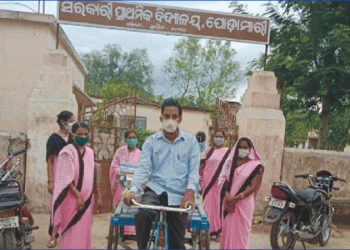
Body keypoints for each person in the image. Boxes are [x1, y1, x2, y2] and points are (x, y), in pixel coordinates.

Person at [124, 98, 200, 249]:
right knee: (143, 213)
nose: (170, 120)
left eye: (174, 117)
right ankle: (142, 247)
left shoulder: (191, 142)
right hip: (155, 190)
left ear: (180, 119)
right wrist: (133, 191)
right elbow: (143, 169)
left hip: (179, 194)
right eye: (167, 116)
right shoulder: (151, 141)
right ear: (161, 118)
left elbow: (193, 171)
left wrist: (190, 192)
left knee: (177, 243)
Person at [51, 122, 103, 249]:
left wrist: (98, 195)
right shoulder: (66, 152)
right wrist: (78, 196)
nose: (83, 136)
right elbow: (65, 178)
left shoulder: (90, 152)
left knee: (84, 233)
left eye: (86, 134)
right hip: (71, 200)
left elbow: (93, 175)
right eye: (80, 134)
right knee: (71, 232)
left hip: (87, 200)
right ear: (73, 135)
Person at [219, 137, 264, 249]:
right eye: (240, 147)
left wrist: (235, 199)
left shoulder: (256, 165)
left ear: (250, 149)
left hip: (243, 204)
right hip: (229, 202)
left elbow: (253, 187)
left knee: (242, 233)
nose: (242, 149)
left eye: (245, 147)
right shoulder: (231, 162)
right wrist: (227, 197)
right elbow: (224, 179)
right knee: (227, 230)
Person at [46, 111, 75, 248]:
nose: (72, 124)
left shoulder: (73, 138)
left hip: (72, 177)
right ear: (63, 122)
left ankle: (67, 233)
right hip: (58, 177)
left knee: (69, 205)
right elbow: (50, 161)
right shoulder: (53, 139)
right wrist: (50, 181)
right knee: (56, 205)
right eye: (71, 121)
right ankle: (53, 236)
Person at [200, 130, 231, 242]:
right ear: (213, 138)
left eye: (220, 136)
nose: (218, 138)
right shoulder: (208, 150)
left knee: (219, 206)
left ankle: (219, 232)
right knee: (207, 207)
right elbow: (202, 165)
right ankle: (206, 230)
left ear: (224, 138)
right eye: (216, 136)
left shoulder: (228, 152)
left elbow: (229, 168)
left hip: (219, 184)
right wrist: (201, 179)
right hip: (207, 183)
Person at [110, 130, 141, 235]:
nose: (132, 140)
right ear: (126, 139)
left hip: (134, 183)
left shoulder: (139, 153)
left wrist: (134, 170)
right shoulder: (120, 151)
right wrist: (123, 170)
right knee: (121, 207)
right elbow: (114, 167)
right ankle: (120, 230)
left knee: (133, 206)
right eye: (130, 138)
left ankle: (131, 232)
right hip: (121, 183)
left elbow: (142, 168)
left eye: (134, 138)